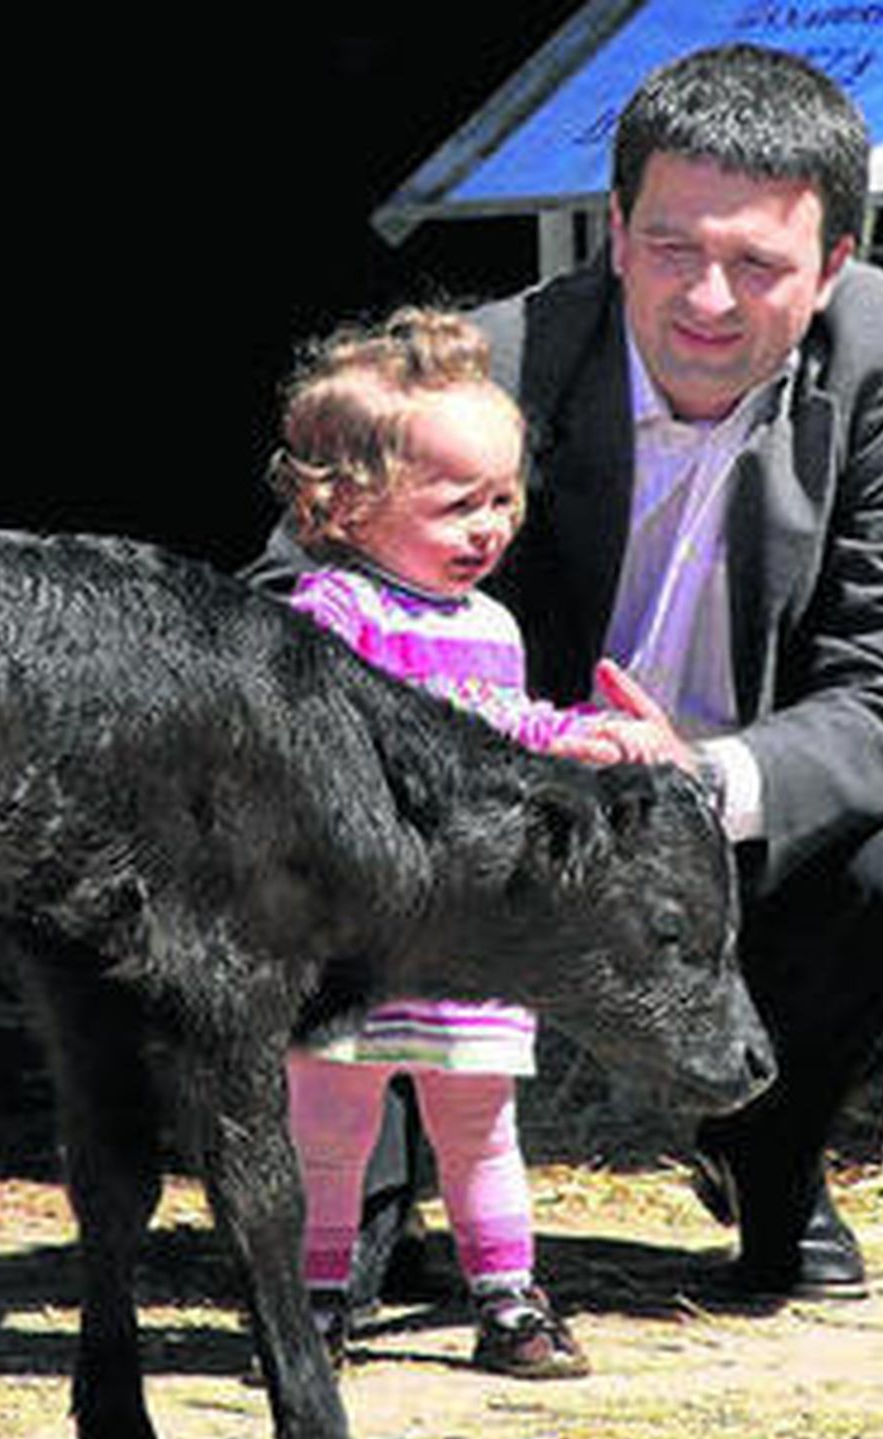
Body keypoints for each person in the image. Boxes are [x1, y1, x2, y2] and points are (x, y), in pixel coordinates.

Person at [250, 43, 883, 1303]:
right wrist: (464, 773)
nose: (705, 297)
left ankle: (759, 1147)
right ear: (612, 226)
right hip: (462, 839)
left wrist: (692, 783)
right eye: (669, 246)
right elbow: (274, 615)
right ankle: (384, 1173)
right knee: (355, 1266)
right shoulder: (484, 363)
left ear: (833, 266)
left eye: (758, 264)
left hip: (731, 816)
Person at [270, 305, 654, 1376]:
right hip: (355, 926)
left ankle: (508, 1299)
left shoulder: (491, 628)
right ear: (342, 505)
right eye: (456, 505)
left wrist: (588, 737)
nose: (489, 527)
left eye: (503, 499)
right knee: (331, 1126)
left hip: (473, 926)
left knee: (481, 1124)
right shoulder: (327, 613)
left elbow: (510, 725)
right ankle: (315, 1301)